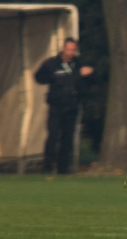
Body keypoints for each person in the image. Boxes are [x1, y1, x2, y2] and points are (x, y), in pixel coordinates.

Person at [35, 38, 94, 174]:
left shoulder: (78, 64)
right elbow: (39, 77)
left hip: (72, 107)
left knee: (68, 138)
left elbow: (89, 80)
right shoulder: (52, 64)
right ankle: (47, 166)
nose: (70, 53)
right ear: (63, 48)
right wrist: (51, 78)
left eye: (73, 50)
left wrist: (89, 73)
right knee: (53, 136)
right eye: (68, 50)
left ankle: (63, 167)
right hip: (56, 107)